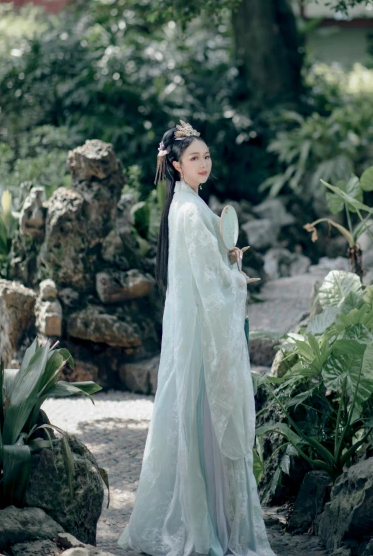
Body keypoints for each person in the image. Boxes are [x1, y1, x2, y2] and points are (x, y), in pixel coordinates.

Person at [117, 119, 278, 556]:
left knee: (195, 413)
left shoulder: (187, 203)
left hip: (194, 330)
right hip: (201, 332)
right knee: (202, 413)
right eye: (194, 158)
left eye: (206, 156)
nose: (204, 163)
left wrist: (226, 258)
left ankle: (208, 516)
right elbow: (211, 282)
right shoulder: (188, 210)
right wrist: (238, 279)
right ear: (175, 164)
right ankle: (207, 523)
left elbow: (205, 265)